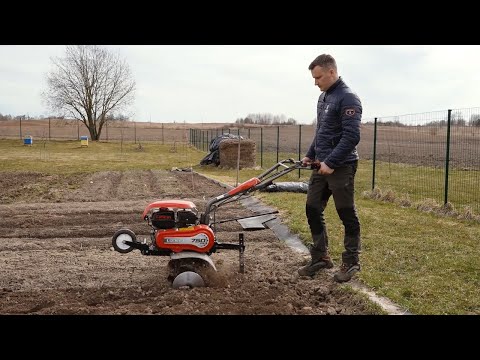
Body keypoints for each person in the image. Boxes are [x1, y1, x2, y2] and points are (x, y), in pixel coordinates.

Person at [298, 54, 362, 283]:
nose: (316, 82)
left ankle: (352, 260)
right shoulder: (324, 97)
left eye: (318, 77)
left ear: (332, 72)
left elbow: (352, 137)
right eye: (314, 78)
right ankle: (320, 256)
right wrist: (310, 155)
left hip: (342, 166)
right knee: (312, 208)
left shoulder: (348, 99)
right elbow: (322, 132)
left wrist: (331, 163)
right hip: (321, 164)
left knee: (346, 212)